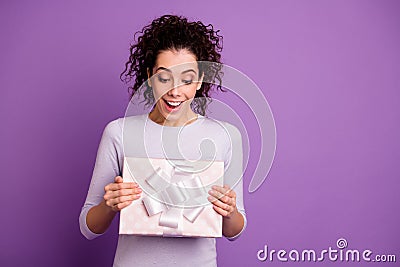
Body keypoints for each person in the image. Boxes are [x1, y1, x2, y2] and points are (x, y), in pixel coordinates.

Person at [79, 14, 246, 266]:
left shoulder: (225, 136)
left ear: (199, 80)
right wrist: (109, 204)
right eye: (164, 77)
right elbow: (88, 227)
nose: (175, 91)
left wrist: (229, 211)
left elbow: (234, 231)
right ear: (149, 76)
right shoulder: (118, 132)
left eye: (187, 79)